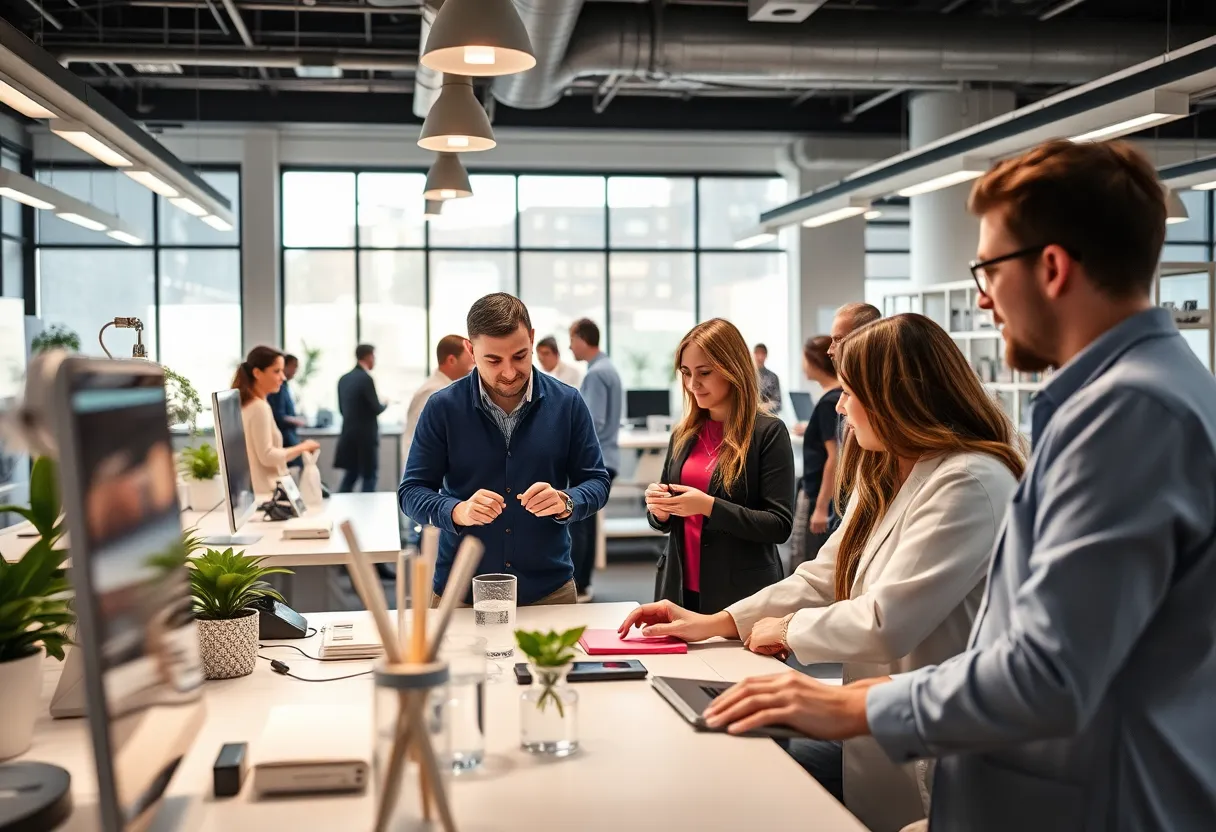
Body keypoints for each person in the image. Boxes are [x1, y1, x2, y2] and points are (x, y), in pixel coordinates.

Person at [701, 140, 1216, 831]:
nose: (981, 296)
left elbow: (1049, 672)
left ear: (1052, 268)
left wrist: (849, 704)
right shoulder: (1136, 396)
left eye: (989, 269)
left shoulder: (1130, 413)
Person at [624, 314, 1020, 831]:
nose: (838, 406)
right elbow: (823, 575)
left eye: (849, 392)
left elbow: (886, 621)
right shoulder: (891, 469)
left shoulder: (969, 479)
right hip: (878, 726)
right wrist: (717, 622)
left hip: (938, 742)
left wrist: (787, 628)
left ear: (895, 398)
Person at [399, 293, 611, 606]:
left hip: (548, 591)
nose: (510, 372)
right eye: (494, 361)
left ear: (532, 339)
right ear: (471, 350)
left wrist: (566, 501)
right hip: (461, 592)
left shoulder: (568, 403)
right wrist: (457, 511)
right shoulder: (442, 407)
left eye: (520, 356)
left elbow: (597, 482)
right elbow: (411, 492)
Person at [643, 318, 793, 615]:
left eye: (704, 373)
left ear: (732, 369)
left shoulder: (768, 432)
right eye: (686, 373)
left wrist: (709, 506)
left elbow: (779, 525)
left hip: (741, 593)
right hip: (679, 586)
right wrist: (659, 511)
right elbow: (666, 521)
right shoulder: (683, 433)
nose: (692, 384)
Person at [400, 335, 475, 545]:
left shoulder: (447, 390)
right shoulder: (435, 393)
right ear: (451, 360)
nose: (473, 364)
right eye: (468, 358)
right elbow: (424, 442)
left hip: (434, 479)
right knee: (423, 540)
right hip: (427, 478)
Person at [567, 318, 622, 603]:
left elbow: (593, 421)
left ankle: (580, 585)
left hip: (594, 460)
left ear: (582, 338)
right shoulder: (607, 368)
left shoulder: (596, 374)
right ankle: (584, 584)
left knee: (578, 522)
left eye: (571, 340)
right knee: (585, 524)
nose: (569, 347)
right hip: (608, 457)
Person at [231, 346, 320, 495]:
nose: (283, 377)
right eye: (277, 371)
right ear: (257, 373)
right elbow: (267, 456)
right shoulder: (259, 407)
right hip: (268, 492)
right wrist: (303, 447)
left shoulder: (253, 405)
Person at [789, 336, 841, 572]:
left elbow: (834, 456)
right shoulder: (834, 398)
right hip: (820, 492)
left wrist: (821, 507)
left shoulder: (830, 402)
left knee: (806, 558)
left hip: (819, 494)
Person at [335, 344, 387, 493]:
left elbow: (341, 410)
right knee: (369, 477)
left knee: (350, 476)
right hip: (366, 438)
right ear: (369, 356)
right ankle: (368, 507)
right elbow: (376, 408)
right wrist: (385, 403)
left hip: (349, 436)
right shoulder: (366, 379)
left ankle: (340, 507)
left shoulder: (343, 379)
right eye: (374, 356)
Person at [266, 353, 307, 471]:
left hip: (289, 435)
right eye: (294, 366)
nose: (295, 371)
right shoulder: (278, 388)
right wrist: (296, 421)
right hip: (284, 436)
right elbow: (278, 415)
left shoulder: (285, 386)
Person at [753, 343, 781, 413]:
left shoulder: (773, 377)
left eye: (762, 354)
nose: (760, 357)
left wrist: (767, 406)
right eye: (757, 353)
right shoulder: (747, 376)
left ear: (766, 356)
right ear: (753, 354)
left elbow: (778, 403)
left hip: (768, 415)